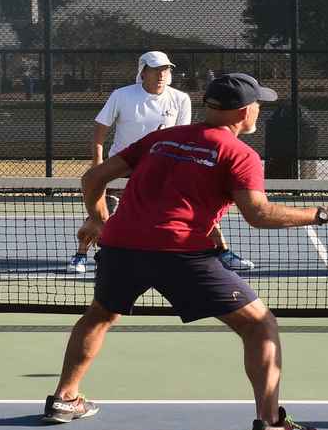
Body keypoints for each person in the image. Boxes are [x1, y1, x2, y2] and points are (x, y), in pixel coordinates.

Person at [42, 73, 328, 430]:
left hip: (121, 247)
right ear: (245, 111)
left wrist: (98, 219)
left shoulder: (163, 138)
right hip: (181, 254)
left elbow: (93, 177)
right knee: (260, 327)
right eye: (258, 103)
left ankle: (65, 398)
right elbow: (258, 215)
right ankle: (272, 424)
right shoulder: (240, 154)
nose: (260, 109)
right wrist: (324, 214)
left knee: (100, 314)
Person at [68, 51, 254, 274]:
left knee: (194, 209)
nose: (162, 74)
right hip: (122, 165)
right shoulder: (122, 95)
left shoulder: (180, 98)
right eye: (156, 69)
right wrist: (98, 165)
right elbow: (99, 131)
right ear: (143, 71)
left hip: (161, 168)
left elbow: (185, 136)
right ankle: (80, 255)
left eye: (165, 69)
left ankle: (222, 252)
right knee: (99, 212)